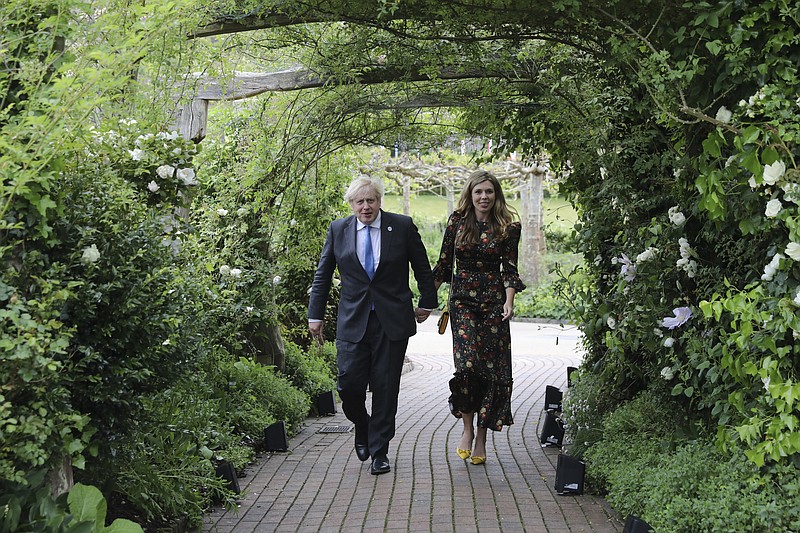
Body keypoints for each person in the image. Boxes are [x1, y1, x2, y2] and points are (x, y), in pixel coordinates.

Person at [308, 175, 438, 475]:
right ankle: (362, 426)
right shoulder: (338, 229)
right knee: (348, 384)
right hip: (353, 321)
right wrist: (315, 315)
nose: (366, 206)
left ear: (379, 201)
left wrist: (427, 301)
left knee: (385, 386)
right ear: (351, 204)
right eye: (359, 201)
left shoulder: (401, 226)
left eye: (371, 200)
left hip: (391, 321)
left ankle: (380, 451)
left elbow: (421, 266)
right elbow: (323, 275)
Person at [432, 169, 526, 465]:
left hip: (493, 303)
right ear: (470, 195)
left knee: (491, 371)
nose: (483, 197)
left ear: (495, 195)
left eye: (489, 192)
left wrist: (509, 302)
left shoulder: (508, 226)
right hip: (461, 302)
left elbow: (510, 268)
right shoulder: (457, 222)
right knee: (467, 366)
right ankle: (467, 429)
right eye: (478, 192)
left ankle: (482, 438)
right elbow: (444, 265)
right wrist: (424, 303)